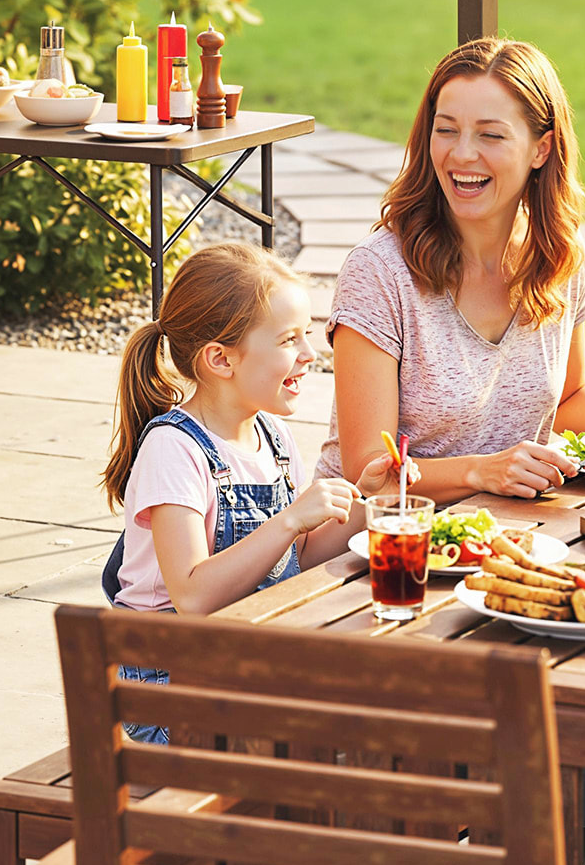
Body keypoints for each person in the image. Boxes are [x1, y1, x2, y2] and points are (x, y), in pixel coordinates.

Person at [322, 37, 585, 500]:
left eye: (491, 134)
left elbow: (568, 398)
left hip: (507, 530)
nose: (461, 155)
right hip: (372, 545)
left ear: (541, 150)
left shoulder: (559, 255)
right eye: (446, 130)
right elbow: (369, 470)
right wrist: (480, 472)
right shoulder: (379, 272)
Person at [102, 242, 399, 742]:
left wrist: (366, 504)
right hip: (171, 690)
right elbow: (194, 595)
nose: (310, 354)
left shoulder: (272, 438)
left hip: (242, 662)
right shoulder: (174, 450)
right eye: (289, 340)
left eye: (307, 335)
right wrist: (289, 520)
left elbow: (296, 556)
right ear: (221, 359)